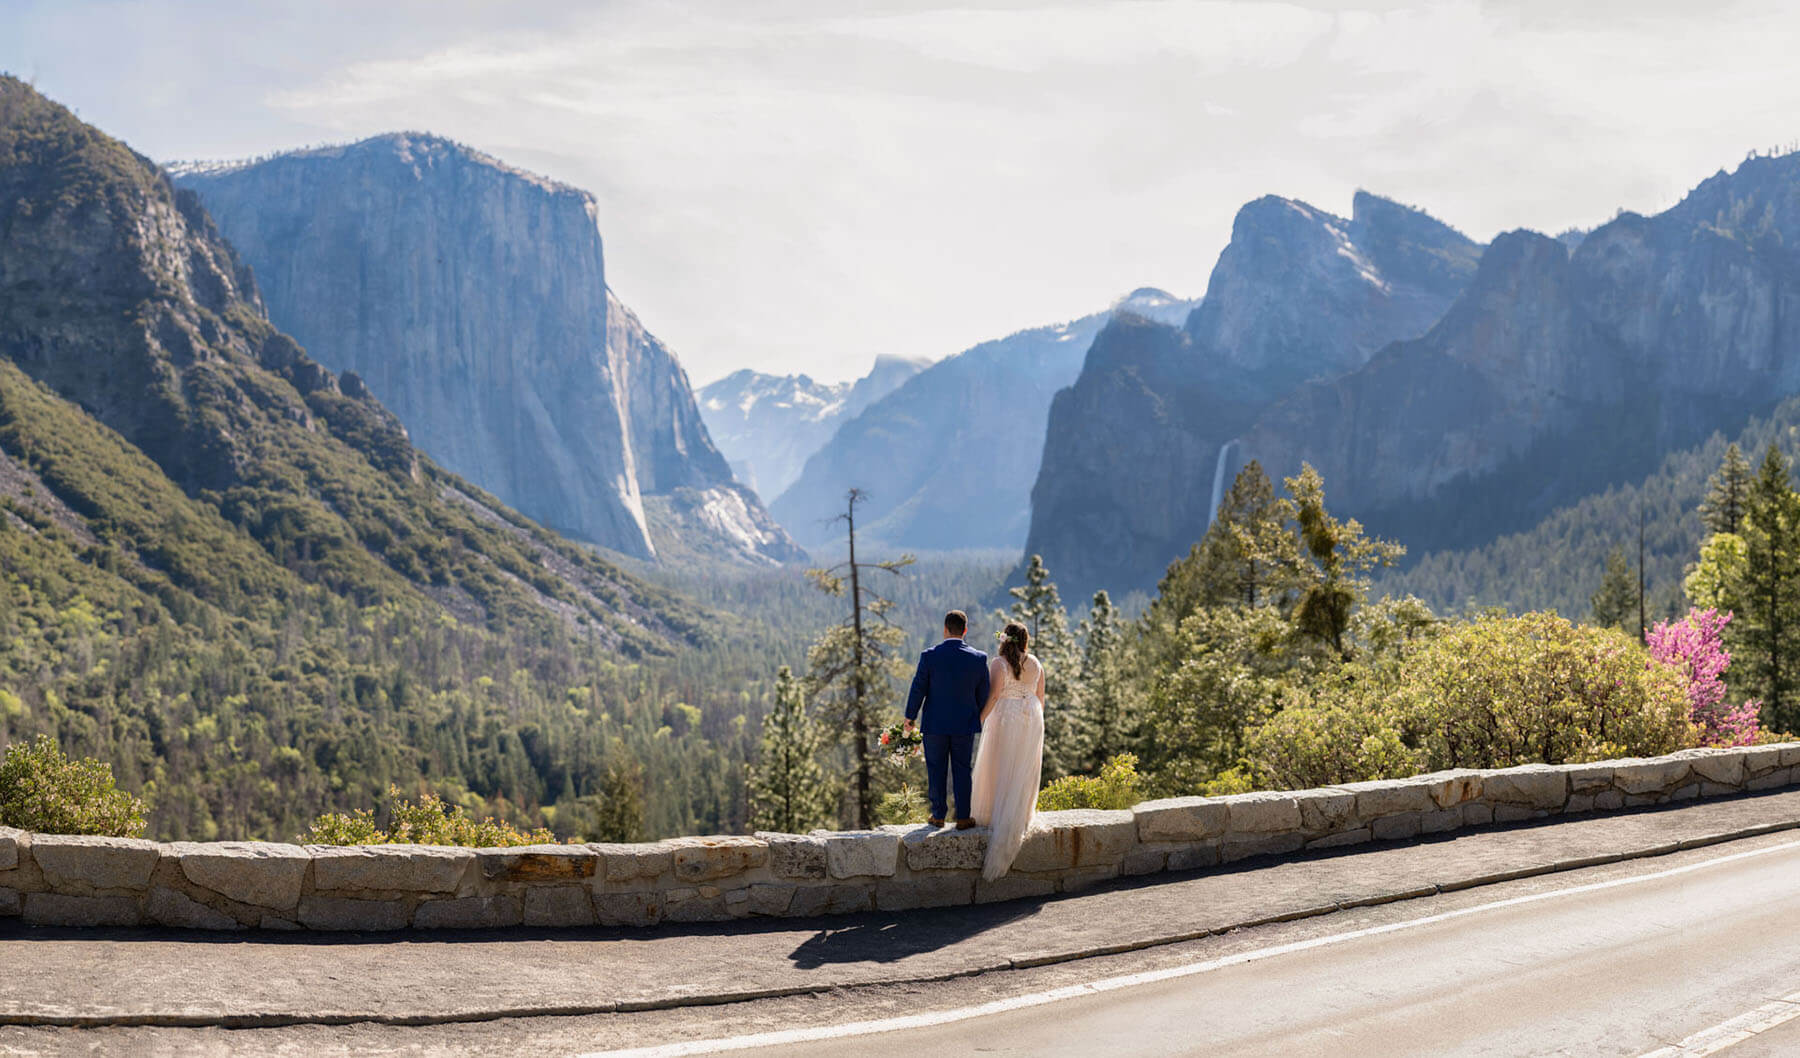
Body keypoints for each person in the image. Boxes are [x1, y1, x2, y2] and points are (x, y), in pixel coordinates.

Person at [970, 621, 1046, 880]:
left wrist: (980, 719)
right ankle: (1020, 813)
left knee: (999, 764)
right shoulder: (1036, 663)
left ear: (1004, 639)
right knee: (1023, 768)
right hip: (1032, 717)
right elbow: (1041, 697)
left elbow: (993, 696)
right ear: (1025, 641)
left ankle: (993, 814)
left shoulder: (998, 664)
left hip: (1007, 716)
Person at [904, 610, 990, 829]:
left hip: (935, 725)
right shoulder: (979, 659)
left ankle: (938, 815)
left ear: (945, 629)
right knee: (962, 769)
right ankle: (963, 817)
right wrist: (974, 714)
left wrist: (910, 717)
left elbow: (918, 688)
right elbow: (984, 693)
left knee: (936, 768)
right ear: (965, 630)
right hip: (964, 725)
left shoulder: (929, 656)